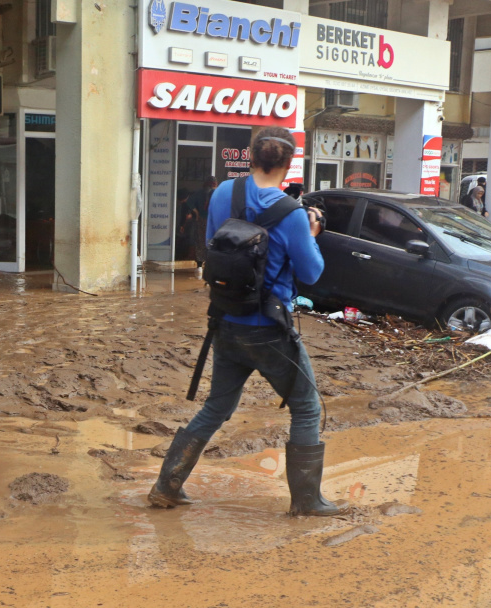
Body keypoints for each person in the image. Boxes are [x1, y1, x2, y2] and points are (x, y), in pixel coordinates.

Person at [148, 126, 347, 518]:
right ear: (289, 165)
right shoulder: (292, 215)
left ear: (250, 157)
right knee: (306, 408)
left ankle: (166, 485)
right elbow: (311, 273)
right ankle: (307, 501)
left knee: (216, 407)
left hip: (224, 320)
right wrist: (311, 232)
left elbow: (210, 246)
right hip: (269, 328)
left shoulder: (223, 193)